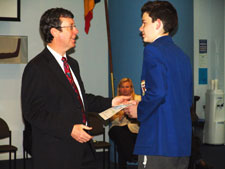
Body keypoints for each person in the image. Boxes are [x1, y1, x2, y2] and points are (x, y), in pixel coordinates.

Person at [21, 8, 130, 169]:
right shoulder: (36, 67)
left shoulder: (72, 64)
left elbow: (80, 99)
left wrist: (112, 101)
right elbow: (33, 113)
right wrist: (69, 129)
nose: (76, 31)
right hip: (55, 153)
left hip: (82, 150)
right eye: (71, 26)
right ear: (54, 31)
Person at [126, 1, 193, 169]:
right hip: (181, 143)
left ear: (157, 24)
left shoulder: (153, 50)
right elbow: (186, 99)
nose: (140, 28)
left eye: (144, 22)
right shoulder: (182, 56)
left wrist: (138, 110)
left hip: (158, 142)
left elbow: (157, 92)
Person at [109, 78, 141, 169]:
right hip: (117, 127)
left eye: (127, 87)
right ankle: (133, 156)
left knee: (122, 142)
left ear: (131, 88)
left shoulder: (138, 99)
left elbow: (143, 115)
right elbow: (112, 119)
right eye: (122, 87)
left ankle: (125, 162)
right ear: (119, 89)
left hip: (134, 128)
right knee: (119, 132)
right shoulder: (115, 101)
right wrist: (121, 115)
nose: (125, 89)